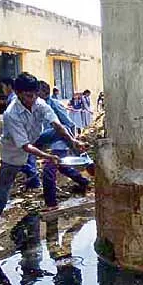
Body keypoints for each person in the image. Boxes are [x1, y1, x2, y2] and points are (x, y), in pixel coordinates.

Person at [0, 72, 86, 255]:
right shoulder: (11, 114)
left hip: (36, 140)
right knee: (2, 195)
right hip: (14, 154)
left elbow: (57, 125)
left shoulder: (39, 103)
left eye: (34, 95)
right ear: (18, 93)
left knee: (61, 135)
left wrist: (74, 142)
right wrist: (48, 157)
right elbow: (24, 146)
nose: (32, 99)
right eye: (28, 96)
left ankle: (84, 159)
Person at [37, 81, 90, 211]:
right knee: (62, 167)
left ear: (44, 92)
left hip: (61, 140)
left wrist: (73, 142)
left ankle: (51, 204)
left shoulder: (54, 104)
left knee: (49, 171)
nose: (35, 95)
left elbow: (69, 124)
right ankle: (84, 182)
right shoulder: (40, 105)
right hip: (53, 140)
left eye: (37, 92)